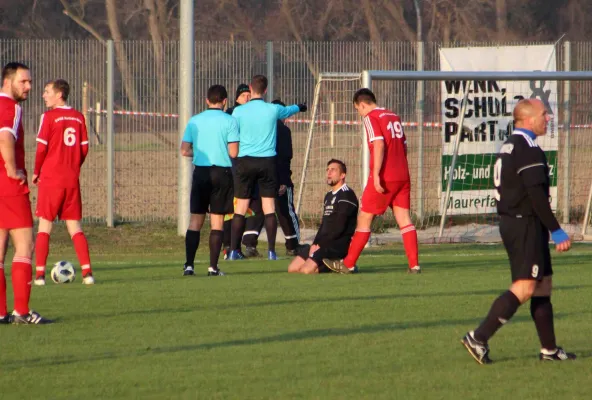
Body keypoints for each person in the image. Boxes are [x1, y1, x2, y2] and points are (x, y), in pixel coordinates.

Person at [461, 99, 575, 364]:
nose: (549, 118)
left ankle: (549, 350)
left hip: (522, 223)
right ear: (528, 118)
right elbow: (536, 196)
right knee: (524, 287)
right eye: (544, 114)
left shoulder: (511, 144)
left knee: (543, 285)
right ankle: (478, 337)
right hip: (524, 224)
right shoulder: (527, 148)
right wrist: (556, 231)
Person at [323, 89, 420, 274]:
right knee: (405, 220)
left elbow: (379, 144)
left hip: (385, 176)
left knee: (364, 218)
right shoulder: (393, 116)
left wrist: (376, 174)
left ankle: (348, 264)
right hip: (403, 175)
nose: (359, 113)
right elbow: (404, 146)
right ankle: (414, 265)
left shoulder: (371, 117)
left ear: (362, 104)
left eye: (357, 109)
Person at [228, 75, 306, 261]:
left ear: (250, 88)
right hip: (267, 162)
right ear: (265, 91)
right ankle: (271, 251)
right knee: (269, 208)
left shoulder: (238, 112)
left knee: (240, 208)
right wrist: (301, 107)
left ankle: (233, 250)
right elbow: (289, 110)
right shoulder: (273, 109)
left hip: (244, 162)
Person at [0, 62, 51, 324]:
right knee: (25, 246)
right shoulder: (11, 107)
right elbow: (5, 138)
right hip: (8, 187)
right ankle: (21, 311)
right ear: (8, 82)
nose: (29, 87)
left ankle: (0, 312)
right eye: (24, 82)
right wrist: (11, 169)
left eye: (30, 82)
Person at [32, 79, 94, 286]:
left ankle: (39, 275)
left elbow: (41, 149)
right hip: (71, 179)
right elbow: (84, 149)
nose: (44, 95)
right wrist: (73, 165)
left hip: (51, 178)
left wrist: (36, 171)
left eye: (47, 91)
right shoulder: (78, 117)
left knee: (44, 226)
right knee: (75, 227)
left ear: (59, 94)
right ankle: (87, 274)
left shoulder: (48, 117)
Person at [180, 84, 239, 276]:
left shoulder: (195, 121)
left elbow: (184, 150)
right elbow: (234, 152)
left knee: (195, 221)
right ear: (224, 102)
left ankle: (189, 265)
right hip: (221, 174)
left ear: (206, 100)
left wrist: (199, 153)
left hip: (201, 173)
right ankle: (213, 267)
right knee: (217, 221)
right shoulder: (230, 121)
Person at [242, 99, 302, 257]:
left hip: (257, 174)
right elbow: (284, 157)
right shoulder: (283, 130)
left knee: (258, 208)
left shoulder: (258, 127)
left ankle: (249, 243)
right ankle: (292, 245)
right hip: (276, 175)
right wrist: (283, 180)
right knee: (284, 210)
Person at [288, 159, 358, 274]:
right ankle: (333, 264)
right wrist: (315, 244)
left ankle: (341, 263)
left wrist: (321, 245)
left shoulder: (347, 195)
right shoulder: (328, 196)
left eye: (333, 170)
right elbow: (324, 224)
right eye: (328, 170)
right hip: (323, 243)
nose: (329, 173)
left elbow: (339, 227)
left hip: (337, 245)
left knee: (306, 270)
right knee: (292, 269)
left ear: (342, 175)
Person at [222, 83, 264, 259]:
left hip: (249, 166)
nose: (247, 98)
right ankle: (229, 246)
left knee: (255, 207)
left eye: (249, 94)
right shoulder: (232, 113)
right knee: (232, 209)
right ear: (236, 98)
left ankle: (246, 244)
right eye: (243, 95)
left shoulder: (254, 113)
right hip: (234, 168)